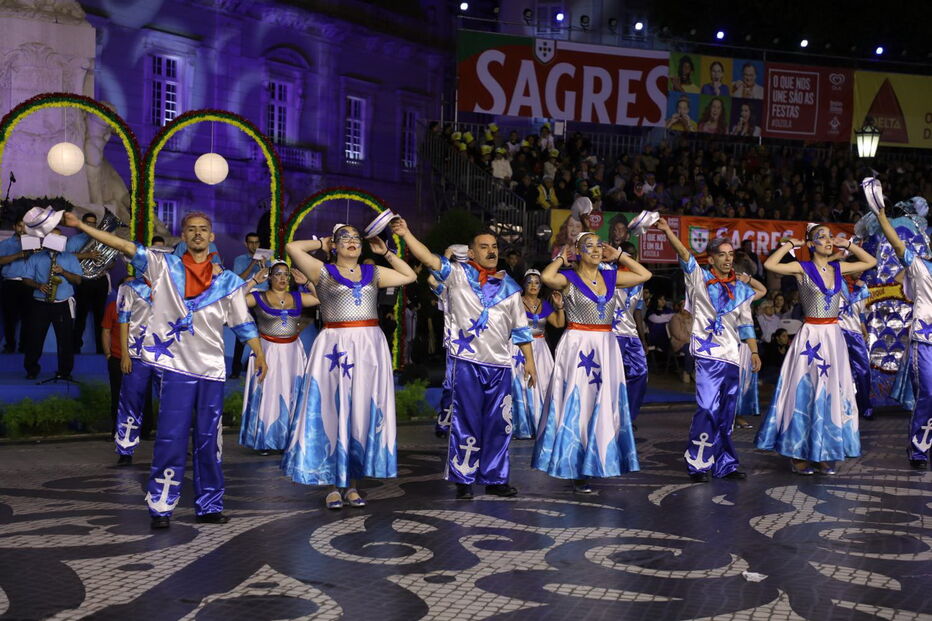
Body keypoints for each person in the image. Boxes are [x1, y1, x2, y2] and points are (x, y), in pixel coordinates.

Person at [63, 210, 268, 529]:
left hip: (212, 370)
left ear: (211, 237)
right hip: (176, 370)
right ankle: (161, 506)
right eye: (191, 230)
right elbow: (125, 246)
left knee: (209, 441)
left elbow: (242, 321)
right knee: (170, 439)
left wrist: (258, 353)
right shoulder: (163, 267)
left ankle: (209, 505)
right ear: (183, 237)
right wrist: (82, 227)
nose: (198, 234)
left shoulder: (227, 282)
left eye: (204, 229)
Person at [393, 220, 537, 500]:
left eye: (494, 247)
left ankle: (496, 478)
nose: (491, 251)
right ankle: (464, 478)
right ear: (471, 253)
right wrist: (407, 233)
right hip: (467, 362)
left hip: (499, 365)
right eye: (484, 247)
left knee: (500, 424)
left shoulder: (510, 287)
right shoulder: (457, 274)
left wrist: (529, 361)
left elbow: (521, 329)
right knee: (466, 421)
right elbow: (427, 258)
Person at [284, 224, 416, 509]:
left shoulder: (373, 273)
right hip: (335, 346)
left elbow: (410, 275)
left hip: (369, 346)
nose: (352, 242)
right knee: (334, 410)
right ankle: (333, 485)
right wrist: (321, 241)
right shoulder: (322, 271)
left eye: (356, 238)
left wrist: (387, 253)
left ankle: (353, 485)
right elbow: (293, 248)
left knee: (359, 411)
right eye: (345, 238)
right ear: (335, 244)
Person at [533, 231, 651, 492]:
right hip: (578, 344)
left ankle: (595, 460)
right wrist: (562, 258)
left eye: (599, 246)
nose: (597, 250)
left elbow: (644, 275)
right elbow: (546, 278)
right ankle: (575, 466)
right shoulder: (570, 278)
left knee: (601, 403)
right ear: (579, 250)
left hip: (605, 344)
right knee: (578, 403)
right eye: (590, 246)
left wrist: (619, 255)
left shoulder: (610, 276)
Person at [755, 225, 876, 475]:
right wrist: (791, 245)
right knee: (805, 392)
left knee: (830, 392)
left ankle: (822, 452)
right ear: (811, 244)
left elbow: (870, 261)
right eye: (821, 237)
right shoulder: (803, 268)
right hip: (811, 335)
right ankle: (799, 453)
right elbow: (770, 265)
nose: (828, 241)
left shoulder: (839, 267)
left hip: (833, 336)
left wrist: (848, 245)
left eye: (829, 236)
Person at [654, 218, 760, 482]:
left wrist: (754, 352)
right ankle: (698, 464)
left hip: (732, 357)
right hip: (707, 355)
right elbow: (685, 254)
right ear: (711, 259)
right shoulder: (698, 278)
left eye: (730, 255)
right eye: (721, 255)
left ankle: (725, 464)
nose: (727, 259)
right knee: (707, 409)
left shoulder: (741, 289)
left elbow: (746, 324)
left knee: (727, 412)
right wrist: (667, 231)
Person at [240, 262, 319, 454]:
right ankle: (266, 440)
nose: (283, 278)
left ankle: (290, 439)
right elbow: (235, 301)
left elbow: (321, 299)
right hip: (267, 351)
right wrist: (253, 281)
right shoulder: (259, 297)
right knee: (268, 394)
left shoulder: (297, 296)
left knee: (292, 392)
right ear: (270, 277)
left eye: (286, 275)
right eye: (277, 274)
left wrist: (308, 282)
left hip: (293, 352)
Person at [875, 205, 932, 468]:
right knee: (928, 394)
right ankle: (919, 450)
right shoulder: (920, 267)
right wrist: (882, 217)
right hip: (925, 341)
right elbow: (897, 243)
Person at [22, 232, 84, 381]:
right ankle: (31, 370)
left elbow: (78, 280)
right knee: (34, 338)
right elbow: (25, 278)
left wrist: (63, 272)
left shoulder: (70, 257)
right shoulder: (36, 257)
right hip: (40, 303)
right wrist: (38, 285)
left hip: (62, 303)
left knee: (65, 340)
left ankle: (65, 371)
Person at [511, 270, 564, 439]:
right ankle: (522, 425)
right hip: (519, 347)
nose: (533, 285)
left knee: (543, 385)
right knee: (521, 384)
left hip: (541, 349)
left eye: (537, 283)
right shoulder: (517, 302)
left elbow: (558, 323)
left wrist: (559, 307)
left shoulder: (544, 304)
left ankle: (540, 425)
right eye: (530, 282)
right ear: (524, 284)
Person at [112, 274, 158, 466]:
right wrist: (125, 353)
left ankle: (173, 447)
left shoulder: (175, 286)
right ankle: (125, 449)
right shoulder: (131, 288)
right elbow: (124, 321)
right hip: (137, 354)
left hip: (167, 356)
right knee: (130, 402)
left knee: (172, 404)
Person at [612, 242, 649, 423]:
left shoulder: (638, 281)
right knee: (613, 377)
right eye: (626, 254)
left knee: (640, 374)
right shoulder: (608, 272)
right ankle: (611, 417)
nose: (630, 257)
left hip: (631, 334)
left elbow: (638, 312)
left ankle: (628, 417)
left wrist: (643, 339)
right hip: (611, 333)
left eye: (632, 254)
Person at [67, 212, 109, 354]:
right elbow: (66, 257)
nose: (92, 225)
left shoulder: (102, 239)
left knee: (100, 317)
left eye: (94, 223)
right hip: (84, 281)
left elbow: (112, 263)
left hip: (100, 281)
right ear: (82, 224)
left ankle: (100, 349)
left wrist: (104, 263)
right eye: (89, 223)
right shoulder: (74, 240)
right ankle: (75, 348)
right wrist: (87, 255)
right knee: (81, 316)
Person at [230, 232, 265, 378]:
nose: (254, 245)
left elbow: (271, 279)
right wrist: (252, 264)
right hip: (245, 298)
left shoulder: (267, 259)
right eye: (251, 242)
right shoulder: (240, 260)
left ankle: (258, 365)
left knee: (263, 334)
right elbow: (238, 280)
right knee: (242, 334)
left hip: (263, 298)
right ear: (246, 244)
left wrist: (264, 266)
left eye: (256, 242)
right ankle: (236, 371)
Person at [839, 275, 873, 420]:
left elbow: (860, 313)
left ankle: (864, 407)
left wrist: (863, 330)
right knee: (837, 370)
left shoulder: (863, 287)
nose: (859, 272)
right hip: (836, 330)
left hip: (855, 333)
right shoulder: (835, 281)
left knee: (864, 370)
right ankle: (839, 407)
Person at [0, 216, 30, 353]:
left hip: (29, 283)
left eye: (25, 226)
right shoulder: (6, 244)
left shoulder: (35, 243)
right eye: (20, 226)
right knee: (10, 317)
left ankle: (24, 347)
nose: (22, 229)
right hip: (11, 283)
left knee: (28, 319)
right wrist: (17, 255)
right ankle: (10, 346)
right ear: (14, 227)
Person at [668, 299, 693, 383]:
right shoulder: (675, 318)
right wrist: (693, 340)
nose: (685, 308)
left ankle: (696, 371)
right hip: (680, 343)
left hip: (693, 342)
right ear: (680, 308)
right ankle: (687, 372)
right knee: (690, 349)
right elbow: (678, 335)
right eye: (683, 306)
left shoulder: (693, 318)